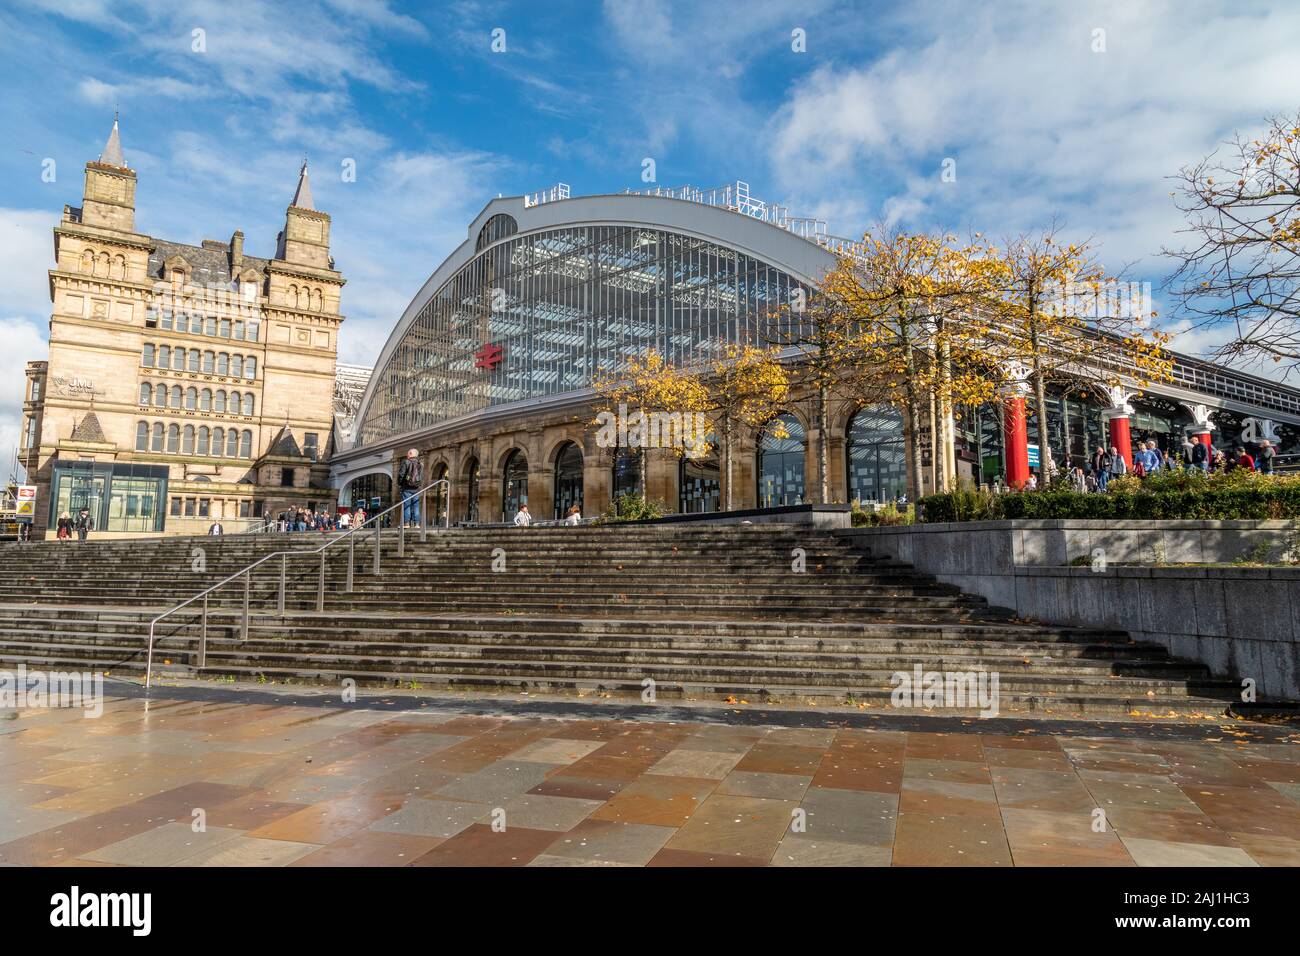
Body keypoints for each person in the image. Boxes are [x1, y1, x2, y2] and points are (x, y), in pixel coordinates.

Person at [397, 448, 423, 528]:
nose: (407, 455)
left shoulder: (406, 462)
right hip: (416, 488)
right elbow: (421, 476)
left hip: (407, 487)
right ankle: (417, 524)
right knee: (416, 506)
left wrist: (400, 484)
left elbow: (401, 475)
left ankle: (407, 523)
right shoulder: (420, 464)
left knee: (407, 505)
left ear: (411, 453)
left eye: (408, 453)